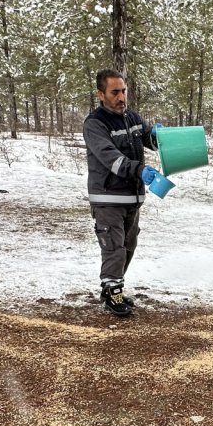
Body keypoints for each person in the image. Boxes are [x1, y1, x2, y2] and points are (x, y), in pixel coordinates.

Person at [83, 68, 162, 317]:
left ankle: (111, 288)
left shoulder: (132, 118)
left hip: (132, 197)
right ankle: (114, 294)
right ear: (101, 94)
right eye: (114, 92)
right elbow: (111, 158)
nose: (121, 97)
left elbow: (148, 140)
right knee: (114, 247)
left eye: (123, 91)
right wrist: (139, 170)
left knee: (128, 246)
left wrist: (159, 136)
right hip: (107, 197)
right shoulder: (95, 124)